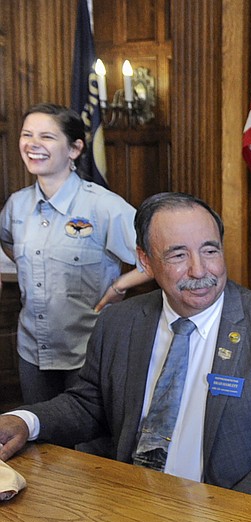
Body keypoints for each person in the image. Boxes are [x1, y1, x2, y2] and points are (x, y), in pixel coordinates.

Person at [0, 192, 251, 509]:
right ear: (145, 262)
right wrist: (25, 421)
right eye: (178, 255)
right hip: (133, 506)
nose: (199, 270)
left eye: (210, 250)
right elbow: (89, 404)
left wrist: (233, 510)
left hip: (239, 515)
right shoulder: (120, 322)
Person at [0, 103, 151, 404]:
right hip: (32, 350)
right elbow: (7, 243)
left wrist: (120, 285)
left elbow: (158, 255)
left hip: (87, 353)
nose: (33, 144)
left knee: (84, 446)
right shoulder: (16, 205)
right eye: (27, 134)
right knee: (38, 442)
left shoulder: (103, 205)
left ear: (75, 149)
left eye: (47, 136)